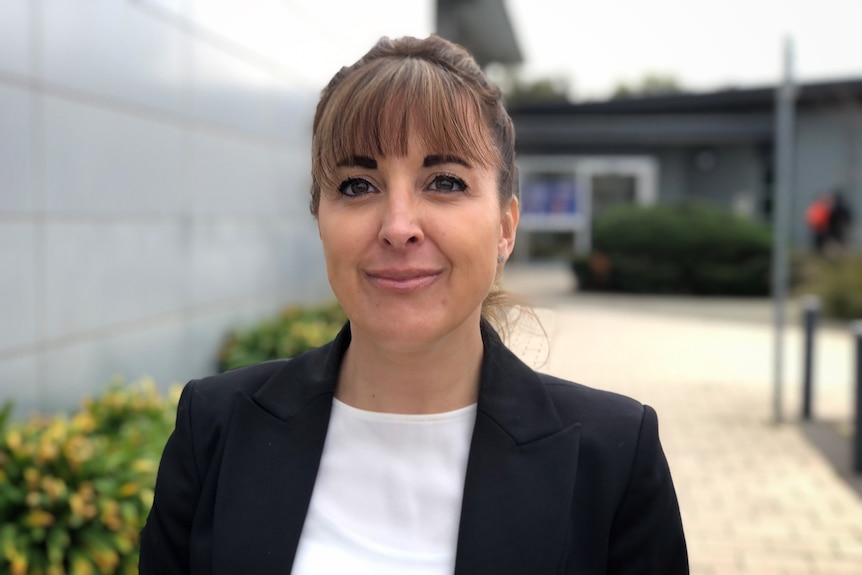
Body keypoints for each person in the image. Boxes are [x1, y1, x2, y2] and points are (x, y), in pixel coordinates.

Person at [139, 35, 688, 574]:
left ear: (505, 226)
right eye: (357, 186)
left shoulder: (613, 458)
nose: (398, 227)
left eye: (444, 181)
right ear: (320, 220)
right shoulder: (213, 429)